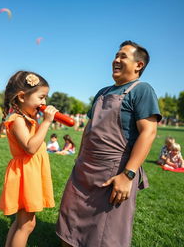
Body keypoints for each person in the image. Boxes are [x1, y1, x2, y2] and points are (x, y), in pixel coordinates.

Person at [56, 41, 162, 247]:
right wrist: (79, 158)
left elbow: (148, 133)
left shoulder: (142, 90)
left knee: (104, 233)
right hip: (84, 170)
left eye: (123, 56)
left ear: (138, 65)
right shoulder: (103, 92)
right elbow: (90, 126)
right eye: (116, 55)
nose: (116, 60)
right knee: (70, 223)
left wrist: (128, 175)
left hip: (113, 173)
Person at [0, 71, 58, 247]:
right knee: (27, 225)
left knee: (20, 223)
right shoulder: (17, 120)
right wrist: (46, 122)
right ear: (22, 96)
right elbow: (31, 147)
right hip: (25, 174)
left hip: (29, 172)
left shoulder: (27, 118)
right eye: (41, 97)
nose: (44, 103)